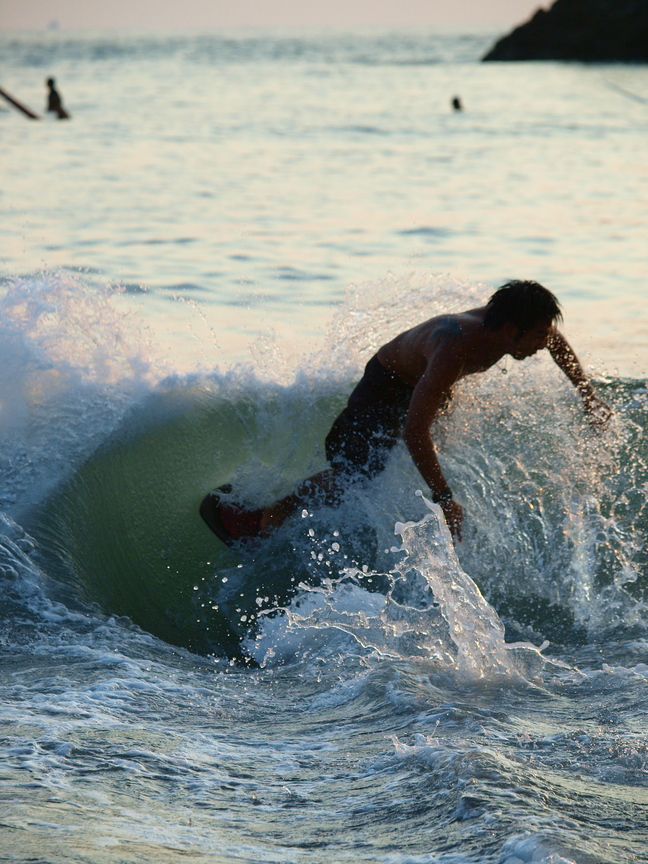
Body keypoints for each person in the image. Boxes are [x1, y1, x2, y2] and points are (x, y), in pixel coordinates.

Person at [201, 281, 611, 545]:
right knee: (356, 471)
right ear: (509, 331)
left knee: (410, 454)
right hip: (388, 385)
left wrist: (587, 396)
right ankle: (260, 519)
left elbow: (557, 342)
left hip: (427, 382)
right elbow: (416, 432)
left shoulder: (512, 326)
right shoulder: (453, 345)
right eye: (537, 335)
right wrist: (446, 498)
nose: (544, 343)